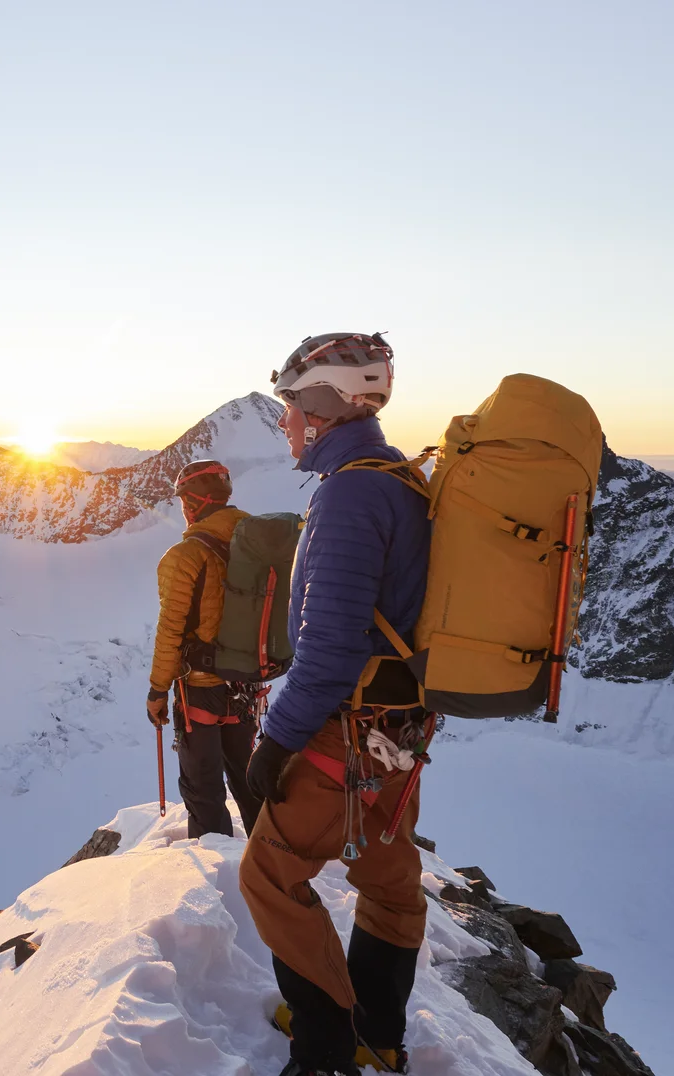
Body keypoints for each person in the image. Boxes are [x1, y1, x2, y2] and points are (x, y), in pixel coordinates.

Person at [240, 332, 435, 1076]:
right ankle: (378, 1034)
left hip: (342, 735)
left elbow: (327, 646)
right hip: (398, 732)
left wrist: (276, 742)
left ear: (323, 406)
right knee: (388, 881)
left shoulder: (351, 492)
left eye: (291, 405)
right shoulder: (398, 480)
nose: (286, 421)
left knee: (270, 875)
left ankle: (324, 1049)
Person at [144, 459, 264, 840]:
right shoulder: (259, 545)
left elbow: (170, 632)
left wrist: (157, 690)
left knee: (203, 787)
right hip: (246, 685)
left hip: (200, 690)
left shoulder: (184, 557)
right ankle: (273, 862)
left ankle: (215, 873)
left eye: (183, 501)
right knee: (248, 779)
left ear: (193, 502)